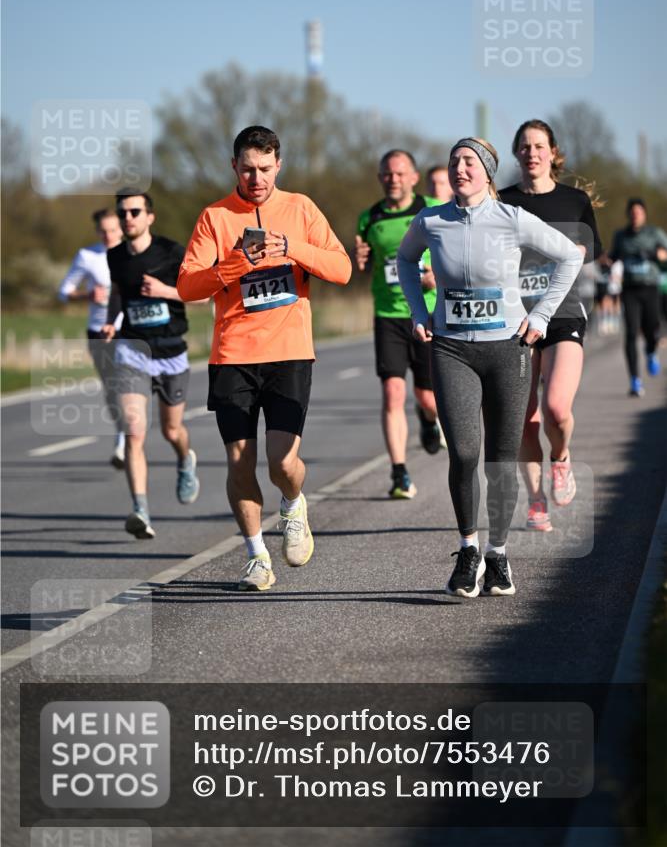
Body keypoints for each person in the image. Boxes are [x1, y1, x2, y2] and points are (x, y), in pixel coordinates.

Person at [398, 137, 581, 597]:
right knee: (463, 453)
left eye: (469, 162)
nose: (460, 168)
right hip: (451, 350)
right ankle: (468, 551)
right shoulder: (430, 220)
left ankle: (497, 554)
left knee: (501, 458)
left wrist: (541, 316)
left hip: (507, 350)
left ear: (487, 173)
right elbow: (404, 259)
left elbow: (571, 255)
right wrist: (419, 311)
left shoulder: (511, 218)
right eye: (454, 161)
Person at [177, 125, 351, 592]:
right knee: (239, 461)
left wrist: (292, 248)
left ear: (279, 166)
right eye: (248, 169)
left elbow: (342, 269)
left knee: (282, 462)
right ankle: (256, 555)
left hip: (289, 352)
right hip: (232, 355)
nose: (257, 179)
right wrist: (236, 263)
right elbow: (187, 285)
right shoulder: (215, 217)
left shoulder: (301, 208)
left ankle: (293, 504)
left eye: (265, 169)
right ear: (234, 166)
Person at [501, 120, 603, 532]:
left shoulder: (574, 201)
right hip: (515, 319)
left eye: (539, 146)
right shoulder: (503, 201)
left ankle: (561, 459)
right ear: (516, 153)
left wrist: (570, 251)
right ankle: (536, 500)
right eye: (524, 146)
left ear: (553, 152)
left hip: (563, 314)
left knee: (557, 409)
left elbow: (589, 251)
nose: (532, 153)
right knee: (524, 418)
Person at [101, 189, 200, 540]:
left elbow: (202, 294)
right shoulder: (115, 256)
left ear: (149, 216)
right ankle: (140, 510)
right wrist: (111, 320)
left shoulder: (172, 252)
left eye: (135, 212)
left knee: (171, 431)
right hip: (132, 351)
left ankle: (185, 460)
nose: (127, 218)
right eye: (122, 213)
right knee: (134, 430)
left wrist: (165, 291)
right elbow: (118, 294)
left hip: (171, 353)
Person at [355, 150, 445, 501]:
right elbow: (363, 265)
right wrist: (358, 260)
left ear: (413, 177)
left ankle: (428, 419)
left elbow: (457, 251)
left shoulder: (434, 208)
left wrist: (438, 275)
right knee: (392, 392)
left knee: (428, 397)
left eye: (400, 173)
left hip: (428, 311)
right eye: (387, 174)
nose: (393, 179)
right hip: (388, 315)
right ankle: (399, 473)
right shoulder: (369, 218)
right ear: (380, 178)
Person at [58, 208, 126, 468]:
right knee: (112, 389)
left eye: (113, 230)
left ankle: (124, 441)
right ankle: (122, 433)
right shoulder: (87, 256)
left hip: (129, 329)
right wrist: (86, 295)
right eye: (103, 231)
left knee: (126, 385)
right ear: (97, 231)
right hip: (99, 331)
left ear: (121, 229)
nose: (108, 235)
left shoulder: (132, 253)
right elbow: (64, 291)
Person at [609, 198, 667, 396]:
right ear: (629, 214)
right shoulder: (621, 236)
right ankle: (635, 380)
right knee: (631, 333)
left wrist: (659, 255)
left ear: (644, 214)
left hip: (650, 288)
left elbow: (665, 253)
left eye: (639, 212)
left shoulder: (654, 233)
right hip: (630, 290)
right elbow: (613, 256)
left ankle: (651, 351)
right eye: (633, 213)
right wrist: (605, 258)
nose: (636, 216)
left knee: (652, 329)